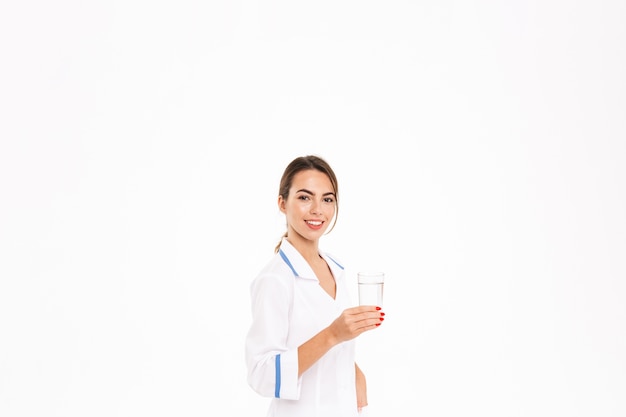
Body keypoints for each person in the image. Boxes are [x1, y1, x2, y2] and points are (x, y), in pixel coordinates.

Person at [245, 155, 385, 417]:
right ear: (282, 203)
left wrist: (354, 370)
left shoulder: (335, 268)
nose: (317, 209)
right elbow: (261, 374)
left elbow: (315, 339)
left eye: (327, 199)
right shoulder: (275, 280)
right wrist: (334, 334)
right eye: (304, 197)